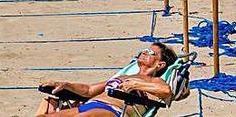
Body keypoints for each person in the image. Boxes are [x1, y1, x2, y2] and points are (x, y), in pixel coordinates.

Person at [35, 42, 178, 116]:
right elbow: (89, 90)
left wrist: (136, 85)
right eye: (145, 50)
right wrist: (67, 85)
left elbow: (165, 91)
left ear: (160, 64)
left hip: (112, 110)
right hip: (89, 105)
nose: (144, 52)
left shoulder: (154, 81)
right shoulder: (124, 76)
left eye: (150, 52)